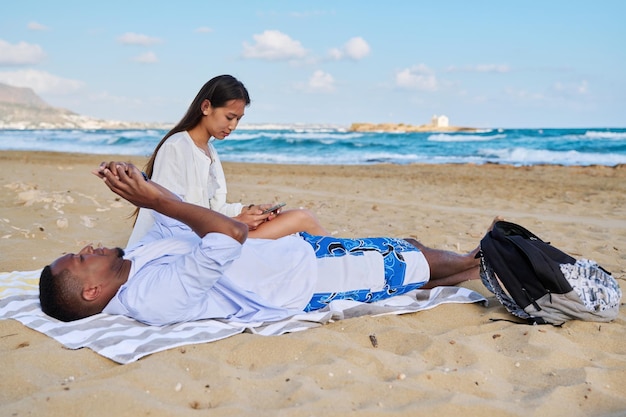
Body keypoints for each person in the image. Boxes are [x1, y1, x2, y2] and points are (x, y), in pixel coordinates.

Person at [39, 161, 484, 326]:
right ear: (91, 292)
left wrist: (147, 191)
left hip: (292, 254)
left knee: (403, 246)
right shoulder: (151, 299)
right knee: (404, 261)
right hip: (302, 280)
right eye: (81, 259)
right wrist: (156, 200)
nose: (90, 247)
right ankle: (474, 263)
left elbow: (186, 225)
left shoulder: (136, 260)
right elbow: (226, 236)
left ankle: (466, 267)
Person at [127, 74, 327, 247]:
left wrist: (248, 211)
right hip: (185, 246)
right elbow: (170, 218)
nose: (233, 126)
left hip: (206, 236)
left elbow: (214, 208)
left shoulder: (209, 151)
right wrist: (237, 221)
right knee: (301, 219)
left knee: (297, 222)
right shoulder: (176, 147)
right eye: (229, 117)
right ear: (206, 107)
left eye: (238, 119)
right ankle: (346, 260)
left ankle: (343, 260)